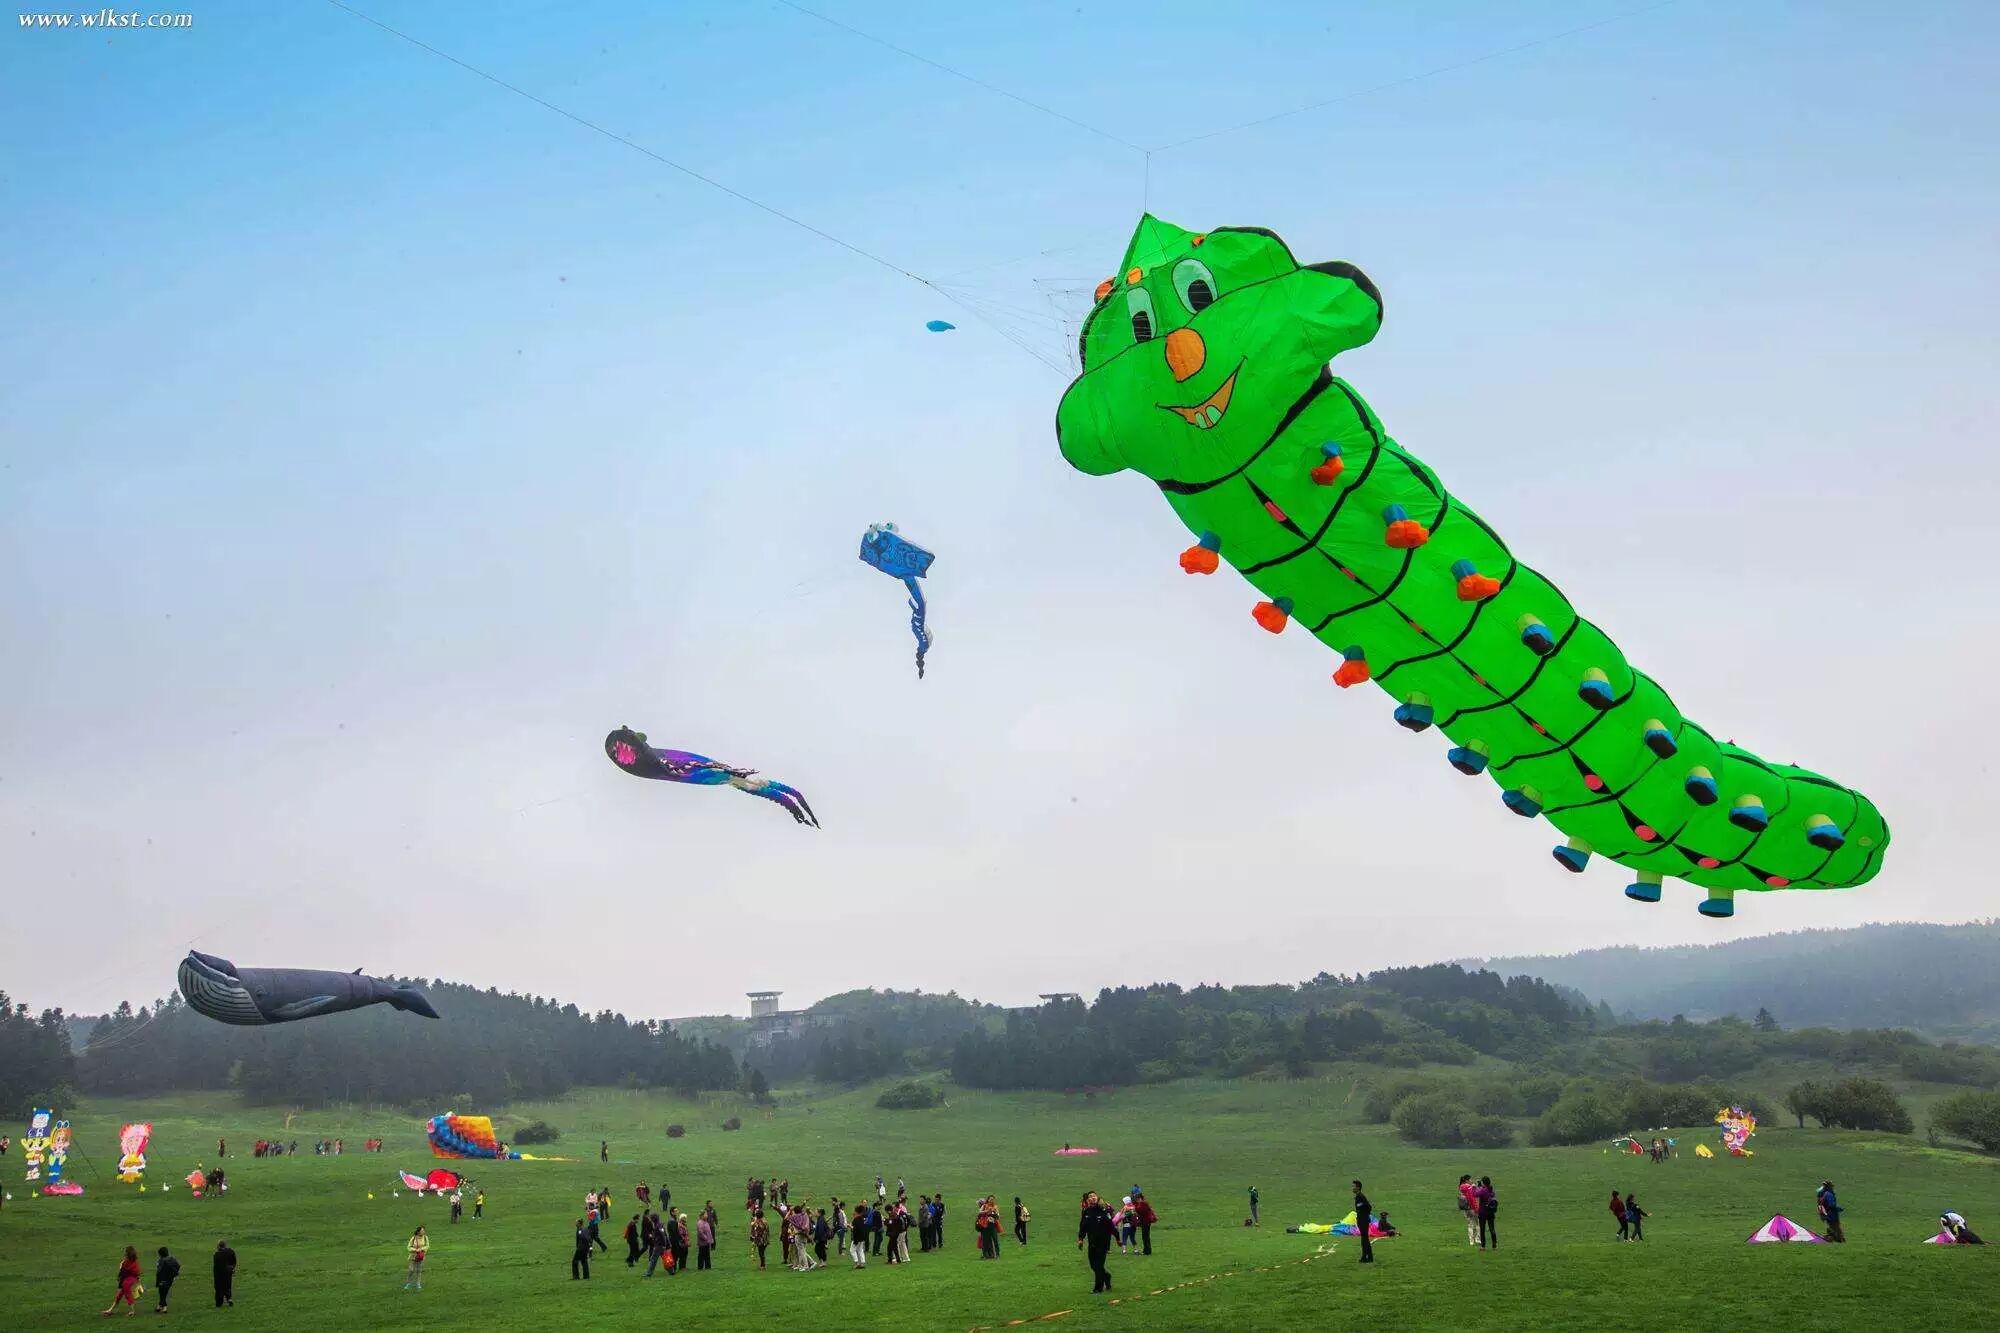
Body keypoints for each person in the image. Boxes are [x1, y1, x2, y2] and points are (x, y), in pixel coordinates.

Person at [1078, 1191, 1116, 1293]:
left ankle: (1098, 1288)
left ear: (1097, 1197)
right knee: (1093, 1265)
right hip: (1092, 1243)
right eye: (1090, 1197)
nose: (1092, 1198)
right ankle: (1106, 1276)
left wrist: (1117, 1238)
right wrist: (1080, 1239)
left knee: (1098, 1265)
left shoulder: (1103, 1210)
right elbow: (1083, 1226)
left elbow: (1111, 1225)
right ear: (1088, 1200)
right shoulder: (1086, 1212)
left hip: (1102, 1243)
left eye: (1094, 1196)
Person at [104, 1244, 143, 1316]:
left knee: (127, 1295)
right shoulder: (134, 1261)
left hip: (126, 1282)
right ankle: (110, 1310)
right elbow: (137, 1271)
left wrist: (120, 1266)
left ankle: (132, 1311)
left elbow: (123, 1271)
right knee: (119, 1296)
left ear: (127, 1253)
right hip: (131, 1280)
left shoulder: (126, 1262)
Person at [1352, 1182, 1376, 1264]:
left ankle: (1364, 1257)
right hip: (1362, 1219)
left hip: (1363, 1220)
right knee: (1365, 1238)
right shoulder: (1359, 1196)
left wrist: (1364, 1215)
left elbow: (1368, 1207)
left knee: (1364, 1239)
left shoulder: (1360, 1196)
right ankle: (1369, 1257)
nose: (1352, 1188)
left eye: (1354, 1186)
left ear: (1358, 1187)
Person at [153, 1246, 180, 1313]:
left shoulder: (161, 1261)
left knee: (162, 1293)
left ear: (160, 1254)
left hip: (162, 1280)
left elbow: (159, 1271)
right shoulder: (172, 1259)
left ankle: (164, 1307)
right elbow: (178, 1266)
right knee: (164, 1293)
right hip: (170, 1279)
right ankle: (159, 1306)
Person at [1476, 1176, 1498, 1250]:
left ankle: (1483, 1246)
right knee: (1492, 1229)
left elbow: (1475, 1194)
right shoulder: (1491, 1190)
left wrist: (1475, 1187)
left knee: (1482, 1229)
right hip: (1491, 1212)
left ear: (1483, 1182)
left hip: (1483, 1212)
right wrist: (1481, 1187)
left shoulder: (1483, 1190)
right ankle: (1494, 1245)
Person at [1133, 1191, 1158, 1255]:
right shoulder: (1139, 1203)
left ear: (1140, 1198)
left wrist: (1136, 1211)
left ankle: (1147, 1251)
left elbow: (1143, 1211)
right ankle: (1146, 1250)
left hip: (1146, 1221)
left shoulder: (1144, 1204)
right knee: (1144, 1236)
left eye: (1137, 1198)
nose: (1136, 1200)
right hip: (1144, 1221)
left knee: (1145, 1236)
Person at [212, 1241, 236, 1308]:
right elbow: (234, 1261)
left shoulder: (217, 1254)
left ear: (219, 1246)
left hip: (219, 1275)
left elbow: (216, 1266)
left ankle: (219, 1303)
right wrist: (232, 1268)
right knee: (228, 1286)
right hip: (228, 1272)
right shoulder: (231, 1251)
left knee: (219, 1288)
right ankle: (229, 1298)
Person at [404, 1226, 428, 1290]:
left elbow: (427, 1246)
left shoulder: (425, 1237)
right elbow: (408, 1247)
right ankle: (408, 1283)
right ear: (418, 1232)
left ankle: (418, 1284)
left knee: (419, 1270)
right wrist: (415, 1250)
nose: (423, 1232)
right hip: (413, 1256)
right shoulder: (413, 1238)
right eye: (422, 1231)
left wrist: (421, 1249)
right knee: (411, 1270)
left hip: (421, 1256)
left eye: (424, 1231)